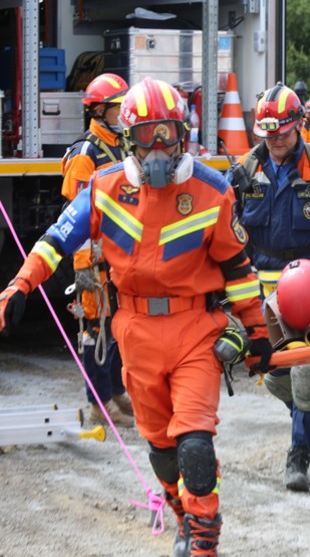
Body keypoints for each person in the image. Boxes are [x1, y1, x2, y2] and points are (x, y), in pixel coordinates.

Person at [0, 77, 273, 557]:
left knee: (194, 446)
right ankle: (184, 517)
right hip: (135, 332)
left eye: (168, 132)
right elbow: (55, 240)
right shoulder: (104, 188)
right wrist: (20, 284)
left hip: (195, 331)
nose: (160, 147)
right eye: (147, 135)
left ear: (183, 134)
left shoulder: (211, 191)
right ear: (128, 139)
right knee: (163, 454)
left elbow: (238, 269)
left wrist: (256, 332)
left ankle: (205, 542)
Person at [227, 83, 310, 493]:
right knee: (273, 372)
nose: (275, 140)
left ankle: (298, 455)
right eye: (267, 132)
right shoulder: (244, 172)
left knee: (307, 369)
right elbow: (227, 235)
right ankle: (305, 423)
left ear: (298, 124)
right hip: (262, 290)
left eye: (281, 131)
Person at [62, 72, 134, 428]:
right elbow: (75, 216)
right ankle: (98, 403)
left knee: (117, 326)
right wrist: (82, 266)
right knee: (96, 329)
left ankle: (116, 392)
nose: (123, 113)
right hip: (95, 261)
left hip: (119, 256)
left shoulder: (120, 147)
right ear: (101, 110)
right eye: (118, 107)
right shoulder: (85, 154)